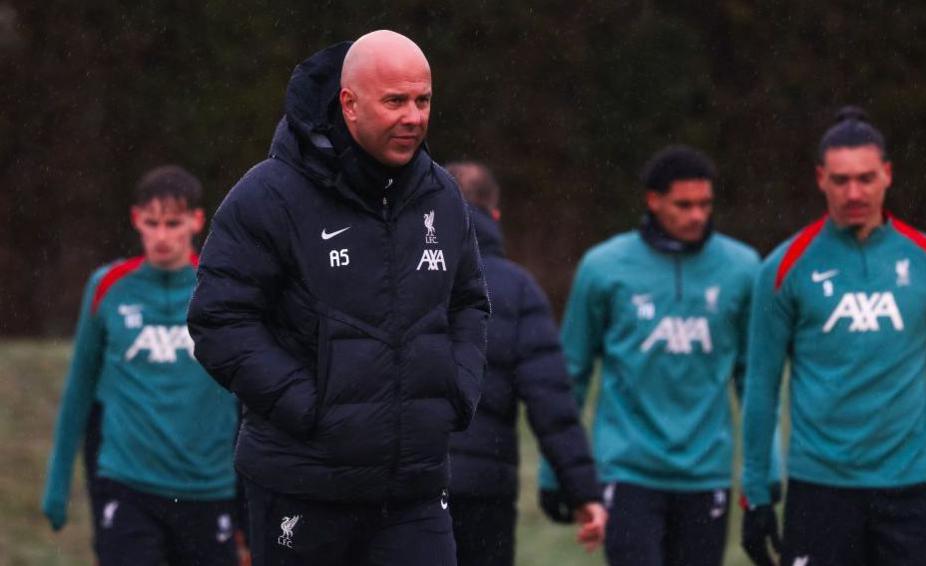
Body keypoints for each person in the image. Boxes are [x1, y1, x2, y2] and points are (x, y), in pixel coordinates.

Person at [187, 30, 490, 566]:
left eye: (423, 100)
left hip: (414, 491)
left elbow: (467, 303)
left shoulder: (441, 196)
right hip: (303, 488)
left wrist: (456, 390)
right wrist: (311, 408)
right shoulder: (268, 196)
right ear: (349, 103)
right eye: (395, 101)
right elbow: (219, 320)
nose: (414, 117)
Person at [741, 107, 926, 566]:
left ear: (888, 175)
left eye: (866, 177)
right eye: (840, 180)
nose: (853, 192)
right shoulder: (783, 269)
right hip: (819, 492)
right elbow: (761, 383)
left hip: (909, 490)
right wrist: (756, 494)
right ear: (820, 178)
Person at [540, 146, 768, 566]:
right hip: (628, 472)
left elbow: (754, 379)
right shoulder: (604, 267)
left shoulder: (742, 268)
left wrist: (766, 470)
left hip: (706, 472)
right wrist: (556, 471)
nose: (697, 215)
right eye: (684, 205)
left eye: (705, 204)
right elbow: (571, 373)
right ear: (653, 200)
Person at [41, 165, 240, 565]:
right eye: (152, 223)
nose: (162, 236)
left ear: (197, 221)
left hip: (208, 487)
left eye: (173, 223)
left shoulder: (223, 290)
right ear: (136, 221)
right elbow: (80, 388)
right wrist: (57, 482)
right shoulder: (107, 288)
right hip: (128, 485)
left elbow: (247, 392)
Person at [445, 162, 606, 565]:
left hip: (406, 489)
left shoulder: (394, 274)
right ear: (495, 215)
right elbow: (552, 405)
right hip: (486, 495)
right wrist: (583, 492)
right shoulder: (517, 290)